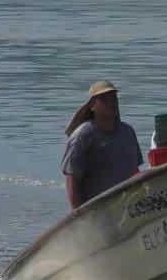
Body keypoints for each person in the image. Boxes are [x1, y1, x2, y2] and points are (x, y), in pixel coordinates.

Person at [61, 80, 144, 210]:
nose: (111, 103)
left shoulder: (128, 132)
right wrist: (79, 213)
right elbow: (72, 177)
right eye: (104, 99)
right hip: (96, 208)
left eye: (114, 98)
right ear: (92, 106)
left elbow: (135, 171)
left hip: (127, 206)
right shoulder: (82, 136)